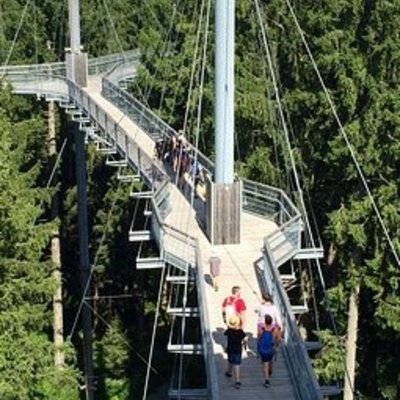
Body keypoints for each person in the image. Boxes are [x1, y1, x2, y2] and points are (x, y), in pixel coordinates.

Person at [224, 314, 247, 389]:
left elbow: (226, 339)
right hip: (238, 350)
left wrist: (225, 347)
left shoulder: (228, 331)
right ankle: (237, 381)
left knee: (230, 361)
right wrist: (244, 345)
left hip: (230, 349)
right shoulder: (240, 332)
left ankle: (229, 372)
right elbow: (245, 339)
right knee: (237, 364)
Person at [257, 314, 278, 388]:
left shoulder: (262, 329)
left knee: (265, 364)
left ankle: (267, 380)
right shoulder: (274, 330)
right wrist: (277, 346)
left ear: (265, 322)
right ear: (271, 322)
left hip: (263, 349)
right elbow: (277, 339)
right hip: (271, 349)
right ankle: (270, 370)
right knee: (270, 360)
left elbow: (258, 338)